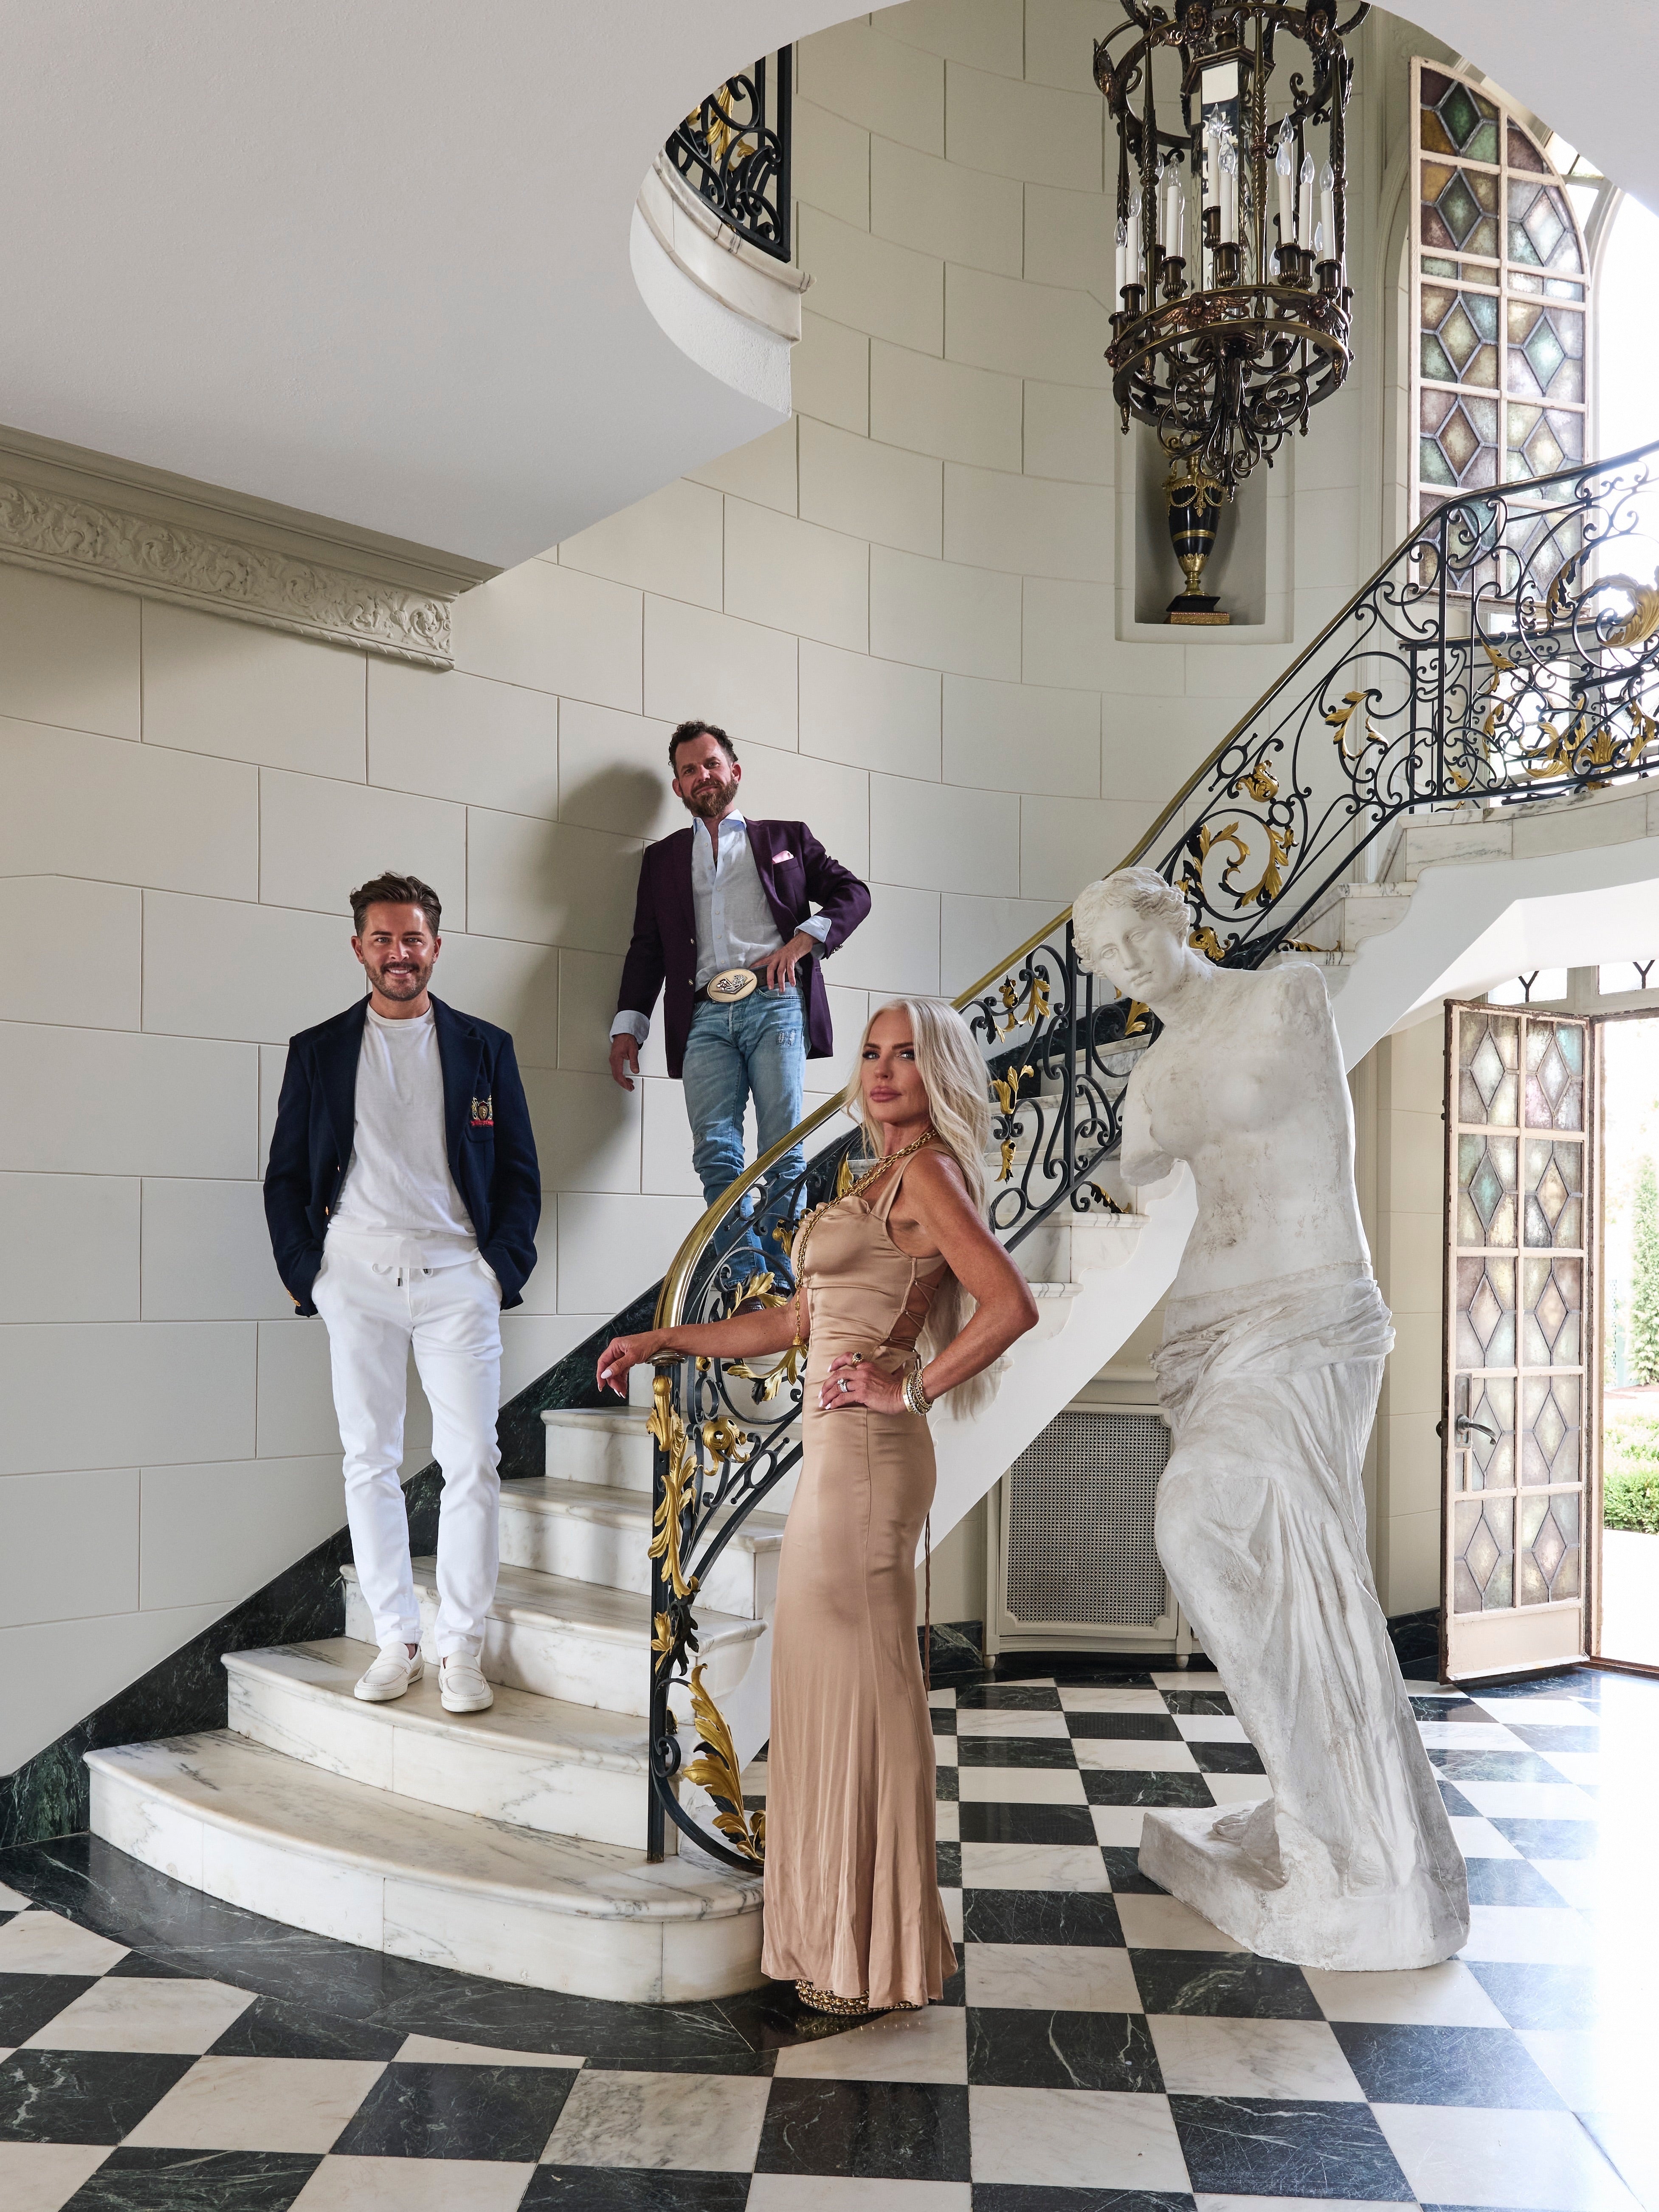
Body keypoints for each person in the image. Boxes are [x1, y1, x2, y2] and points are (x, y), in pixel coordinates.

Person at [595, 998, 1039, 2012]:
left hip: (871, 1458)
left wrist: (908, 1385)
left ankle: (869, 1951)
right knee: (830, 1690)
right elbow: (800, 1319)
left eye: (906, 1056)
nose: (883, 1071)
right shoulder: (875, 1175)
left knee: (861, 1697)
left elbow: (1011, 1302)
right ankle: (841, 1937)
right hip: (839, 1454)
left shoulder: (928, 1172)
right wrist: (664, 1341)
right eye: (873, 1053)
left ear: (937, 1074)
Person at [1072, 865, 1468, 1969]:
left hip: (1304, 1316)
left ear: (1174, 917)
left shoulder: (1283, 994)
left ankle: (1328, 1823)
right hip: (1203, 1338)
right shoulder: (1148, 1074)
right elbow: (1136, 1166)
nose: (1123, 965)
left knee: (1206, 1528)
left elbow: (1215, 1112)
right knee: (1259, 1566)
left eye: (1130, 935)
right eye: (1101, 957)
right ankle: (1313, 1799)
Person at [264, 872, 541, 1717]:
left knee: (473, 1462)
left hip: (459, 1273)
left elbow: (523, 1175)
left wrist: (500, 1270)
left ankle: (461, 1647)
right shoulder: (317, 1049)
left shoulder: (484, 1046)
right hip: (356, 1272)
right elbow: (282, 1178)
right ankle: (398, 1637)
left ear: (436, 946)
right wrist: (310, 1276)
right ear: (359, 948)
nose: (398, 954)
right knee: (370, 1459)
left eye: (413, 938)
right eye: (382, 939)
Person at [608, 720, 870, 1278]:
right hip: (702, 1015)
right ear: (678, 787)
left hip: (774, 1002)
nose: (702, 775)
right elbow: (647, 947)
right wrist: (629, 1025)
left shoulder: (786, 839)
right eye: (689, 769)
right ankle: (744, 1276)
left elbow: (854, 894)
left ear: (734, 771)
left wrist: (803, 942)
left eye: (711, 763)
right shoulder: (662, 860)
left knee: (783, 1148)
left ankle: (784, 1281)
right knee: (716, 1157)